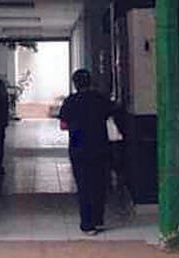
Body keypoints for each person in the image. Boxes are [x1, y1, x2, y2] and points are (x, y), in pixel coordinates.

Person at [59, 69, 117, 235]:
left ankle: (87, 224)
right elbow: (113, 112)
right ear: (90, 81)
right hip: (99, 145)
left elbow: (63, 125)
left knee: (83, 186)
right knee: (99, 184)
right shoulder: (100, 99)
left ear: (75, 84)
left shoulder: (70, 101)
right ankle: (98, 219)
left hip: (78, 145)